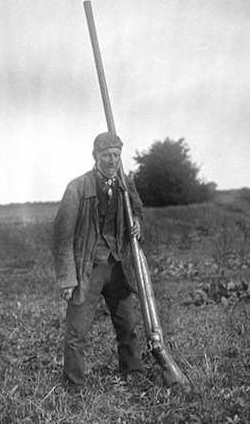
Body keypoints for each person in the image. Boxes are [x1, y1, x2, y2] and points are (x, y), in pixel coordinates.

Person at [52, 131, 144, 392]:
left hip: (118, 267)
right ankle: (74, 385)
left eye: (117, 155)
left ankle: (133, 373)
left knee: (127, 326)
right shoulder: (77, 188)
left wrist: (137, 224)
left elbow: (137, 210)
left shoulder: (127, 185)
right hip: (87, 270)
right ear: (95, 156)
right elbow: (62, 237)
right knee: (76, 333)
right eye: (107, 156)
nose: (112, 161)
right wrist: (68, 279)